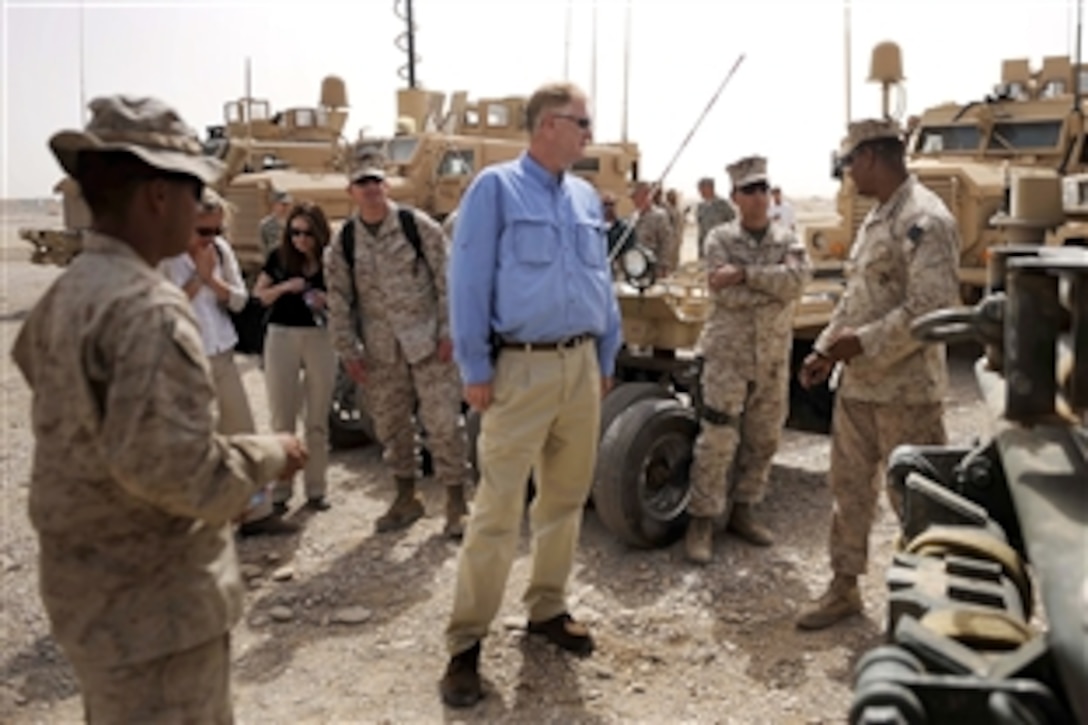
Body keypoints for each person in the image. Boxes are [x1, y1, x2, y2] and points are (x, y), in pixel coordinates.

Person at [10, 94, 306, 722]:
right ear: (156, 197)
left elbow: (41, 373)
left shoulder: (71, 292)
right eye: (195, 190)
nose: (203, 206)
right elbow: (183, 474)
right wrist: (268, 454)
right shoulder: (147, 308)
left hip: (92, 594)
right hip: (156, 608)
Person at [440, 81, 623, 708]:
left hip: (579, 370)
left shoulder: (582, 197)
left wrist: (605, 353)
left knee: (566, 499)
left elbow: (603, 281)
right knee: (496, 511)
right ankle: (465, 644)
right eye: (582, 122)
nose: (590, 133)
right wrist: (474, 365)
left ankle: (547, 609)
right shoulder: (494, 189)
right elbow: (466, 278)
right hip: (518, 370)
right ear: (548, 124)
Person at [795, 119, 961, 630]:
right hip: (860, 388)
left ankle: (927, 610)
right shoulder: (876, 219)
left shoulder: (926, 219)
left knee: (915, 501)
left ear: (870, 157)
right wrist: (825, 348)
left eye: (849, 163)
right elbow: (857, 296)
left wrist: (860, 344)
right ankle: (844, 589)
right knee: (849, 494)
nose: (847, 174)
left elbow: (931, 309)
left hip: (907, 394)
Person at [325, 153, 470, 537]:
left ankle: (456, 502)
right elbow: (338, 298)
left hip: (428, 344)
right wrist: (347, 350)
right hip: (380, 351)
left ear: (386, 186)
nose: (371, 189)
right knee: (391, 426)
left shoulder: (415, 225)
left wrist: (447, 332)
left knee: (443, 424)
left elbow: (447, 279)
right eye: (362, 183)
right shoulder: (345, 240)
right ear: (351, 191)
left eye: (376, 182)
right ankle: (406, 497)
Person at [683, 156, 813, 564]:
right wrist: (764, 283)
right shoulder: (719, 238)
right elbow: (723, 294)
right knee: (717, 437)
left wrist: (744, 274)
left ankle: (744, 510)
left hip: (772, 357)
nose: (758, 197)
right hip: (728, 356)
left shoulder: (788, 238)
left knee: (763, 436)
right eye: (749, 190)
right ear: (735, 197)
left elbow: (795, 283)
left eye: (763, 188)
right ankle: (701, 520)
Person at [160, 188, 298, 537]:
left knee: (242, 435)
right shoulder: (162, 256)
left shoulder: (219, 252)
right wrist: (196, 280)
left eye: (217, 231)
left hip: (221, 353)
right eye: (203, 231)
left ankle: (257, 514)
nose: (212, 238)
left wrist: (212, 279)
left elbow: (239, 301)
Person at [254, 201, 338, 513]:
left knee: (317, 420)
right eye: (294, 233)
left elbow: (347, 300)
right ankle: (280, 491)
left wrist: (324, 299)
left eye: (307, 233)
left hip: (320, 338)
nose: (300, 239)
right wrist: (285, 287)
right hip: (282, 336)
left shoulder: (332, 261)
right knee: (282, 417)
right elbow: (259, 296)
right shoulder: (279, 258)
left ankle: (316, 489)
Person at [630, 181, 674, 278]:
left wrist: (664, 265)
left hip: (653, 265)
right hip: (635, 265)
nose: (633, 200)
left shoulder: (659, 216)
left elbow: (666, 242)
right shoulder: (634, 216)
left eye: (636, 196)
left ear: (646, 196)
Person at [695, 176, 736, 259]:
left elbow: (734, 225)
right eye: (699, 189)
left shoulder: (723, 205)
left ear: (710, 188)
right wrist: (700, 252)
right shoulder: (701, 207)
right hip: (707, 248)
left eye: (702, 189)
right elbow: (701, 230)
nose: (700, 192)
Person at [258, 190, 292, 257]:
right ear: (274, 205)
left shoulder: (293, 223)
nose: (286, 208)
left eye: (288, 204)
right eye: (283, 204)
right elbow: (263, 246)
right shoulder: (265, 225)